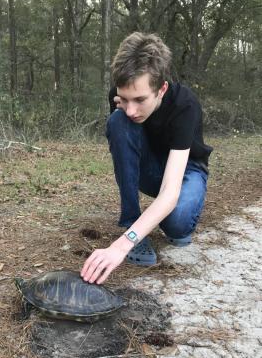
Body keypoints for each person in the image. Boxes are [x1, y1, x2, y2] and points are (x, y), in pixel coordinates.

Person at [81, 32, 212, 285]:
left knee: (176, 226)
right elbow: (126, 149)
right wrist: (133, 234)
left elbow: (169, 191)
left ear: (161, 88)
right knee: (118, 121)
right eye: (124, 99)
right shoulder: (121, 100)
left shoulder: (185, 105)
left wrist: (120, 246)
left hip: (185, 170)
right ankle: (132, 222)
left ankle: (170, 216)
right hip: (150, 166)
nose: (131, 109)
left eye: (140, 100)